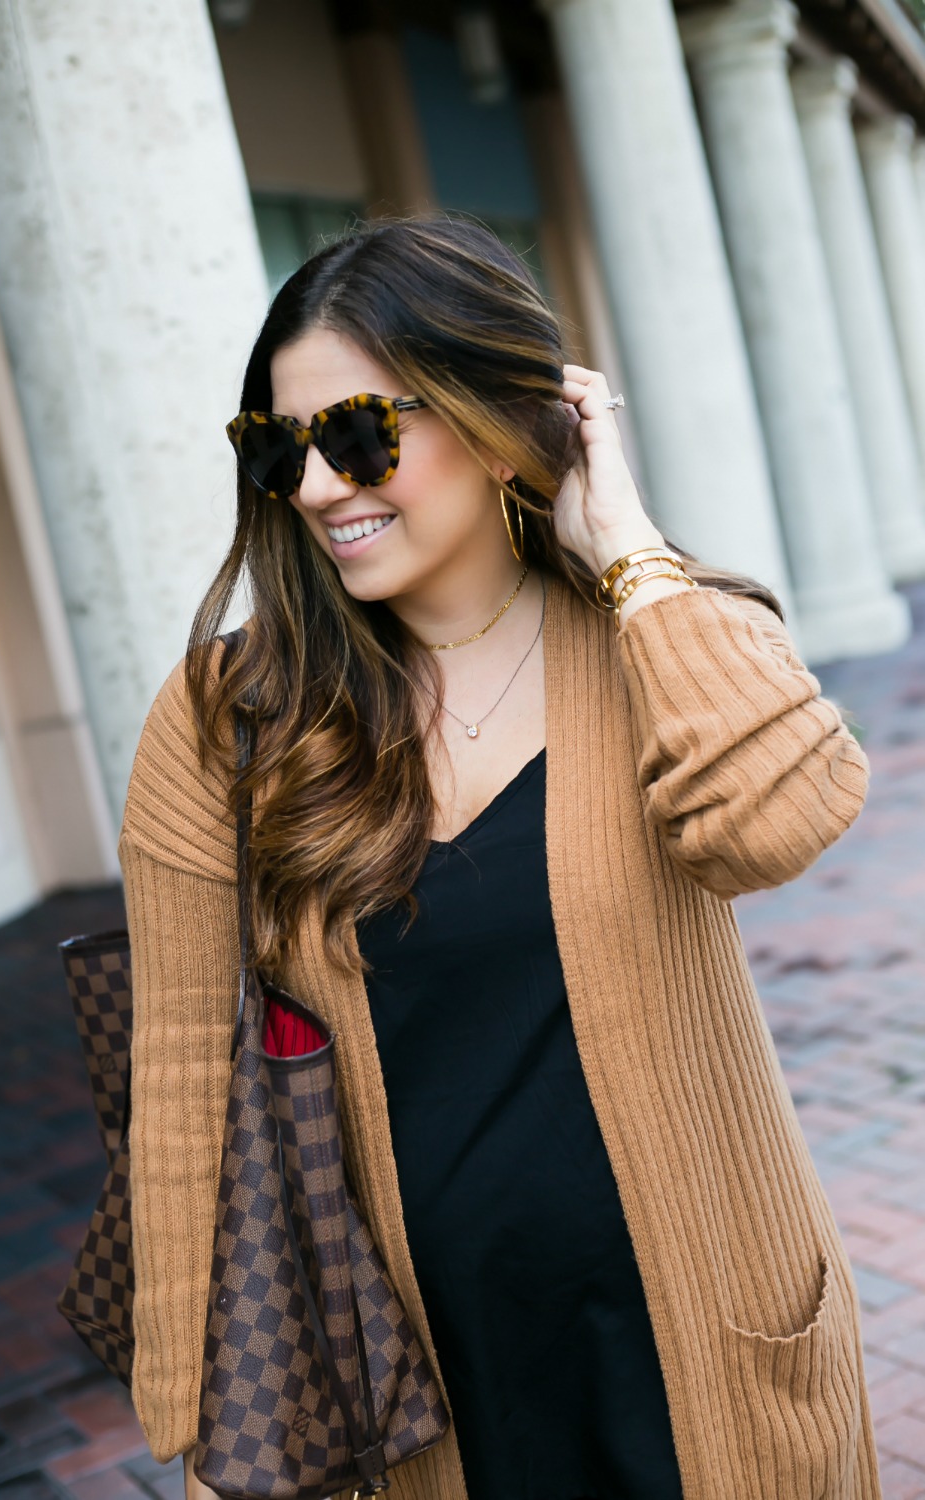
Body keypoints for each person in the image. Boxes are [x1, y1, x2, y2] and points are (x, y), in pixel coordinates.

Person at [119, 216, 882, 1500]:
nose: (318, 487)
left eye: (359, 434)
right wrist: (219, 1431)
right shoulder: (227, 718)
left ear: (489, 415)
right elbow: (185, 1081)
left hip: (706, 1352)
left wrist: (627, 551)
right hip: (423, 1396)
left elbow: (778, 822)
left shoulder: (655, 637)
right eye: (281, 449)